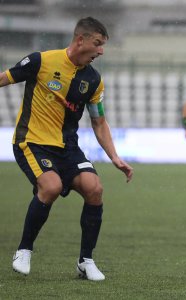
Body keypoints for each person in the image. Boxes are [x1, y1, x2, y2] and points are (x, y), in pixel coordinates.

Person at [0, 17, 133, 281]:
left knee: (94, 189)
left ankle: (86, 261)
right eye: (97, 44)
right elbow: (4, 78)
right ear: (80, 40)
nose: (101, 51)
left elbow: (99, 121)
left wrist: (115, 157)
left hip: (68, 148)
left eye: (103, 45)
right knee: (50, 187)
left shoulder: (93, 80)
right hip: (32, 142)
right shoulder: (42, 61)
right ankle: (24, 250)